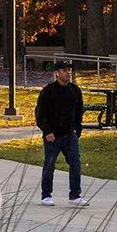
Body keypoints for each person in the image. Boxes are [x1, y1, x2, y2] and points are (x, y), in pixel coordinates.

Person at [33, 64, 86, 206]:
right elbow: (40, 113)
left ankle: (75, 195)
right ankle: (46, 195)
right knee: (49, 164)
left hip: (70, 134)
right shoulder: (49, 91)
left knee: (75, 163)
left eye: (69, 70)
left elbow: (79, 111)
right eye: (64, 70)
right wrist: (47, 131)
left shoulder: (75, 90)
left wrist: (77, 129)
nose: (68, 73)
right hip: (53, 135)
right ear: (57, 73)